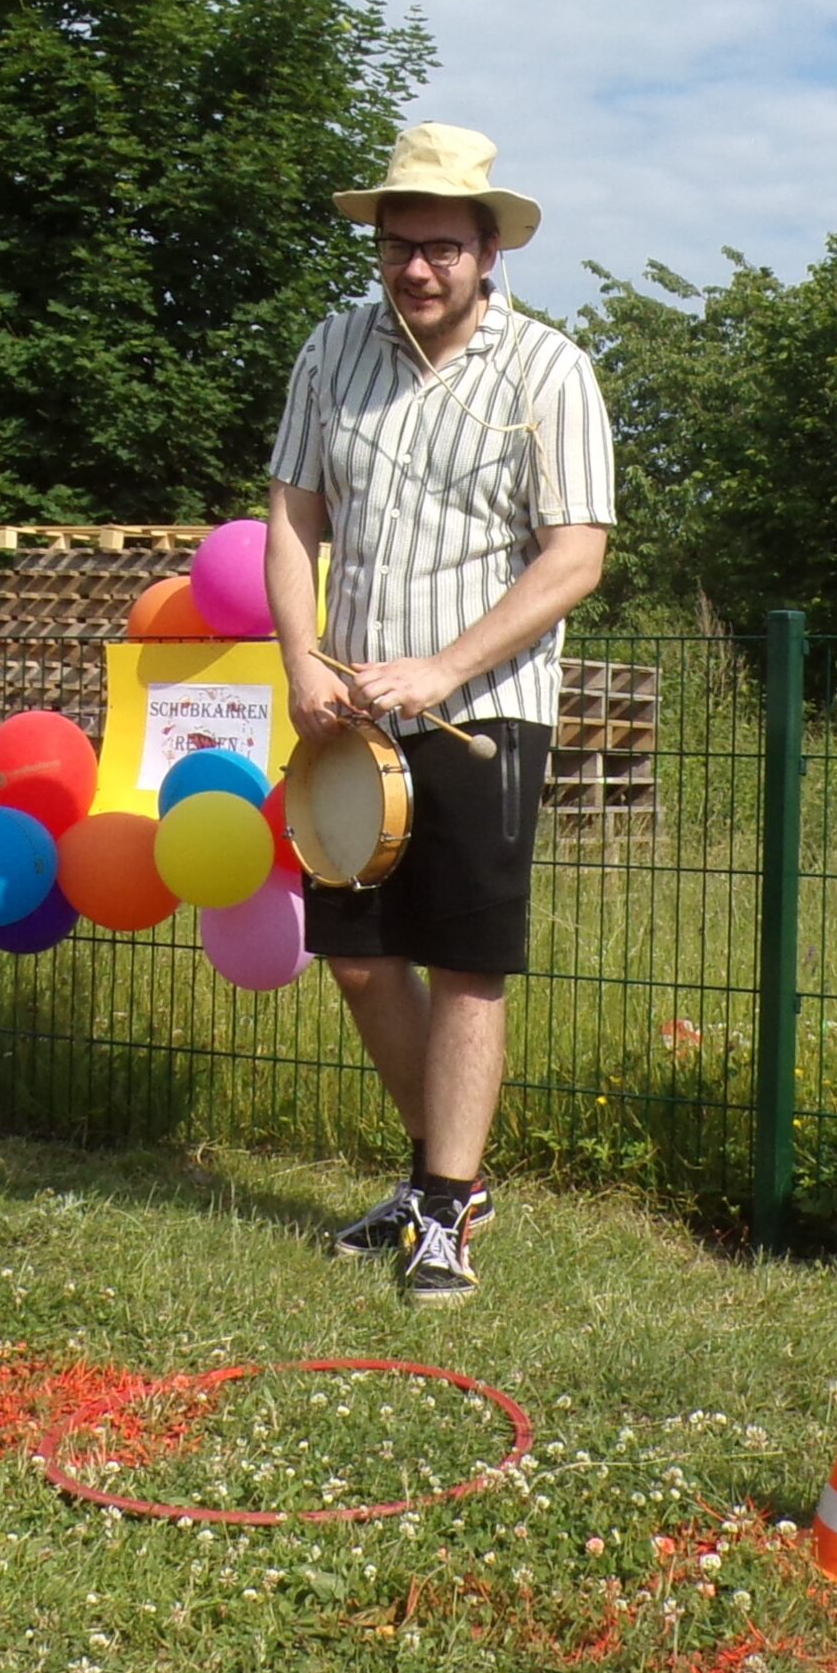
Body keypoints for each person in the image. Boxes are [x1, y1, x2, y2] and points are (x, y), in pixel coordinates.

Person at [266, 122, 614, 1304]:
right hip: (347, 717)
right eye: (398, 245)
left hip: (489, 715)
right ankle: (439, 1183)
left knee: (466, 965)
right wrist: (301, 662)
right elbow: (292, 516)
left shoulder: (549, 371)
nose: (417, 269)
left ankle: (447, 1206)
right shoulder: (329, 351)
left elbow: (575, 556)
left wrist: (443, 665)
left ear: (486, 250)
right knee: (360, 965)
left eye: (442, 248)